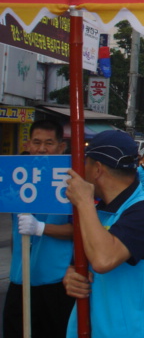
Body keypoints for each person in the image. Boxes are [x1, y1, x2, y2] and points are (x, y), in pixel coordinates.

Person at [63, 130, 144, 337]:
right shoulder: (99, 211)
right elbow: (80, 264)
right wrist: (71, 276)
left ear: (97, 169)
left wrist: (84, 201)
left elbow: (103, 260)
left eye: (86, 163)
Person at [3, 120, 75, 338]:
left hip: (55, 282)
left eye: (49, 143)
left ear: (61, 147)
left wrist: (41, 228)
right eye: (36, 142)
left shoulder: (71, 182)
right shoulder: (15, 176)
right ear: (28, 144)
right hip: (19, 278)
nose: (42, 148)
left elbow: (78, 230)